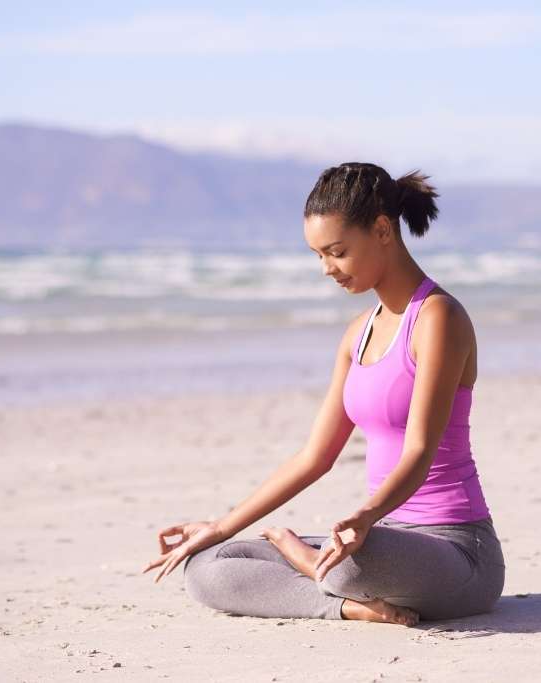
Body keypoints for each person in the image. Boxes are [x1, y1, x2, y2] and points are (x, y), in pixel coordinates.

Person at [141, 162, 506, 625]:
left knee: (356, 560)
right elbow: (314, 456)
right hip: (380, 536)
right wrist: (218, 527)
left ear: (381, 231)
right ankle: (349, 607)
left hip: (456, 552)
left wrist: (366, 516)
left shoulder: (438, 319)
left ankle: (313, 565)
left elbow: (419, 449)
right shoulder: (358, 334)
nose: (326, 269)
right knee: (207, 567)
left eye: (336, 251)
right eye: (318, 255)